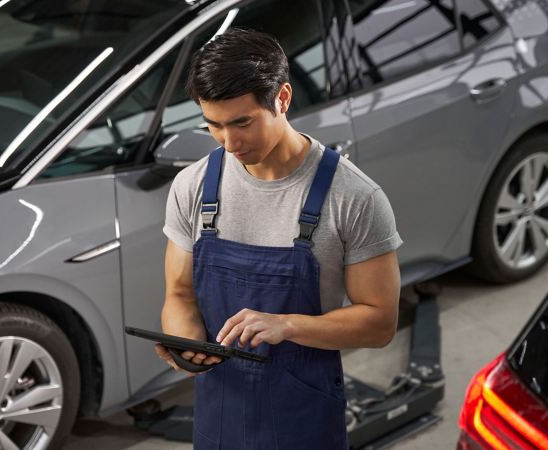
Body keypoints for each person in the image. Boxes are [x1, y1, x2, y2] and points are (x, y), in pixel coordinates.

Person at [155, 28, 402, 449]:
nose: (229, 143)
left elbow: (379, 322)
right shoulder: (192, 187)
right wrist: (187, 345)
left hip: (302, 416)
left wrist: (285, 326)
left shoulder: (353, 198)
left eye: (242, 123)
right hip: (220, 411)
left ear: (282, 99)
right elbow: (178, 295)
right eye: (213, 125)